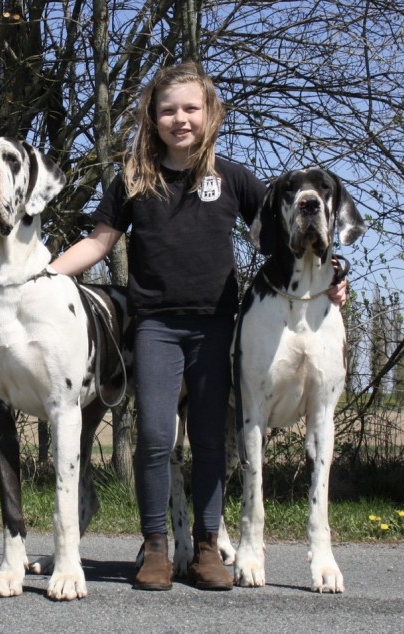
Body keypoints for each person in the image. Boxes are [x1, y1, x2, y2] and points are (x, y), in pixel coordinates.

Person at [51, 61, 346, 591]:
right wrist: (44, 277)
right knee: (156, 436)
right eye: (168, 110)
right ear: (152, 117)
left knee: (211, 438)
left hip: (215, 327)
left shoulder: (232, 177)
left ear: (210, 114)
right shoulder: (134, 179)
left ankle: (208, 546)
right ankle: (156, 548)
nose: (180, 119)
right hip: (154, 327)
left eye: (191, 108)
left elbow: (289, 231)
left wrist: (334, 275)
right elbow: (98, 242)